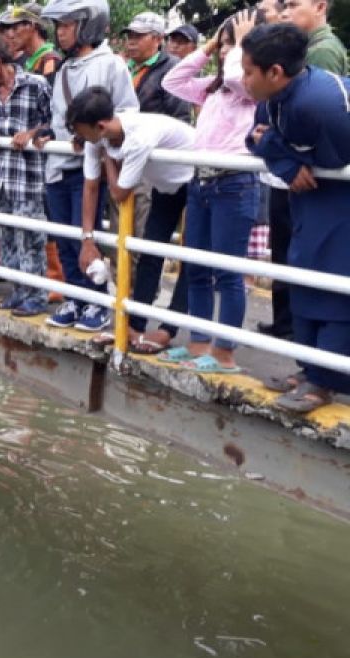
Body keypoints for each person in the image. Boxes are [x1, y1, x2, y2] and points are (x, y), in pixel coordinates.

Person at [244, 23, 350, 412]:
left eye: (248, 71)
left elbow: (332, 160)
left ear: (275, 72)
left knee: (336, 289)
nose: (243, 79)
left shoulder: (319, 102)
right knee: (302, 281)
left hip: (341, 205)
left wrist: (275, 146)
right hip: (309, 205)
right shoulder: (273, 98)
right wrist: (282, 154)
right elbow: (253, 137)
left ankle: (327, 381)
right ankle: (309, 368)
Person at [156, 11, 260, 370]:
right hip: (201, 182)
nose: (225, 52)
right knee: (196, 268)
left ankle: (225, 353)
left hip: (234, 184)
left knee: (227, 273)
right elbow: (172, 80)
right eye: (224, 45)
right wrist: (212, 44)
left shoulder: (252, 90)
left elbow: (239, 76)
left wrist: (243, 46)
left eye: (233, 44)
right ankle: (199, 344)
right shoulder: (216, 88)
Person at [37, 0, 139, 331]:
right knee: (63, 237)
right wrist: (45, 134)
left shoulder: (111, 65)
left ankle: (96, 301)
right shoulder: (64, 69)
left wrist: (94, 137)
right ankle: (73, 297)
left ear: (88, 26)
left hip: (89, 166)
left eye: (67, 25)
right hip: (57, 164)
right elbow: (57, 119)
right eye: (59, 26)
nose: (60, 32)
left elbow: (126, 115)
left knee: (87, 236)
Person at [69, 86, 196, 337]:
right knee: (149, 252)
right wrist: (87, 240)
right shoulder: (97, 137)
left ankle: (168, 330)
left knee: (190, 259)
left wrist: (108, 158)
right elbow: (91, 187)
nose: (79, 137)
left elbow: (118, 194)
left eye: (80, 131)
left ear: (101, 127)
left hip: (197, 181)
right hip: (166, 186)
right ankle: (135, 326)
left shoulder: (139, 137)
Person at [262, 0, 347, 339]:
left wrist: (284, 152)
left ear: (320, 6)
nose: (285, 13)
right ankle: (297, 338)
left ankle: (305, 345)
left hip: (317, 183)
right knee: (293, 261)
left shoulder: (321, 55)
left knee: (311, 266)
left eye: (293, 5)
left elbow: (324, 125)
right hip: (305, 179)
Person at [0, 33, 54, 316]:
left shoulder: (36, 85)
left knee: (30, 237)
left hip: (29, 176)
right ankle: (18, 291)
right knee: (6, 237)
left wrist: (32, 133)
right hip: (1, 176)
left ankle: (37, 295)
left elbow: (53, 123)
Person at [122, 12, 192, 121]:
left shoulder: (172, 68)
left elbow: (180, 117)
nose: (131, 42)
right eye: (130, 36)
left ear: (158, 39)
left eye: (139, 36)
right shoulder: (123, 67)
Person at [0, 5, 64, 84]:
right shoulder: (31, 62)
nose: (11, 35)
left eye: (15, 28)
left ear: (31, 25)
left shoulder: (49, 62)